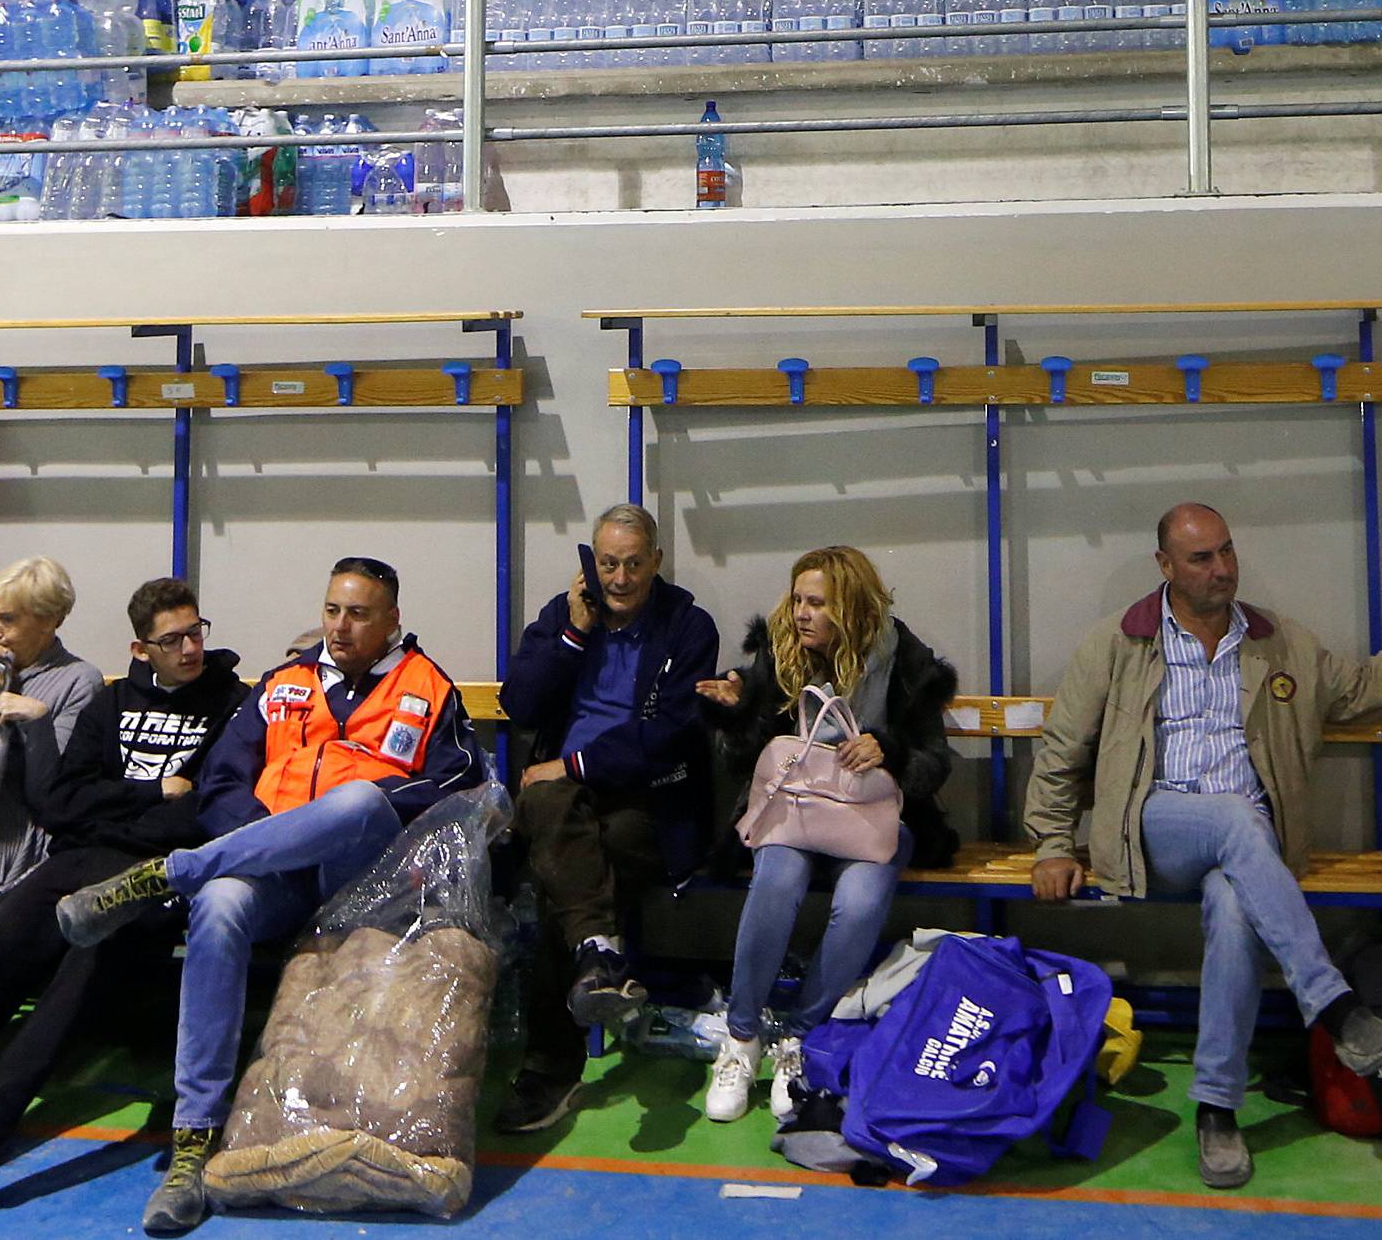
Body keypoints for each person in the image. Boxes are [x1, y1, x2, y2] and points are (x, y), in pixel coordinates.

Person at [1024, 501, 1382, 1191]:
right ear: (1166, 566)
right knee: (1238, 822)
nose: (1222, 568)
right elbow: (1062, 751)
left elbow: (1366, 689)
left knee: (1239, 906)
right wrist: (1050, 844)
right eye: (1201, 558)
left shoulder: (1280, 645)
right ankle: (1335, 1008)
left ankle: (1216, 1109)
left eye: (1227, 552)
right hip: (1153, 828)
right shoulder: (1120, 644)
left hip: (1242, 853)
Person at [56, 555, 486, 1238]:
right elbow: (225, 780)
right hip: (274, 878)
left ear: (393, 621)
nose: (341, 627)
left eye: (360, 614)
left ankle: (168, 873)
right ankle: (194, 1140)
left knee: (356, 799)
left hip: (364, 877)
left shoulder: (428, 687)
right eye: (333, 610)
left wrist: (352, 813)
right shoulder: (282, 685)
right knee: (220, 904)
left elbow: (457, 786)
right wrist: (268, 838)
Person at [0, 576, 246, 1160]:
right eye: (171, 640)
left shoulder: (232, 705)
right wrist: (152, 792)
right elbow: (60, 801)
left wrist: (123, 806)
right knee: (0, 944)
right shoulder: (113, 700)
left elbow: (208, 809)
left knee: (83, 970)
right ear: (140, 649)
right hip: (80, 855)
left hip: (160, 871)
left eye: (195, 632)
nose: (190, 649)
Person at [695, 544, 958, 1125]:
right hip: (796, 813)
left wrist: (887, 751)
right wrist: (740, 708)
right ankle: (741, 1039)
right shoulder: (780, 653)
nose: (802, 614)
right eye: (798, 600)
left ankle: (800, 1036)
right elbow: (748, 755)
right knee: (776, 879)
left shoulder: (904, 660)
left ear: (853, 608)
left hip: (871, 820)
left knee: (861, 902)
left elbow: (934, 762)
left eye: (818, 603)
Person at [495, 503, 718, 1135]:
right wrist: (572, 635)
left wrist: (575, 766)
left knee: (561, 881)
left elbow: (668, 736)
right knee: (545, 808)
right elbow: (521, 705)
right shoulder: (564, 615)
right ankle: (599, 955)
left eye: (633, 564)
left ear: (657, 563)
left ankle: (549, 1071)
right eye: (608, 563)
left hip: (650, 803)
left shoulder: (687, 627)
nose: (619, 579)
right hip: (563, 803)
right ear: (591, 563)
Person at [0, 556, 103, 922]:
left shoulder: (79, 681)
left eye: (8, 619)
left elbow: (51, 796)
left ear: (48, 621)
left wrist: (37, 724)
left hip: (13, 851)